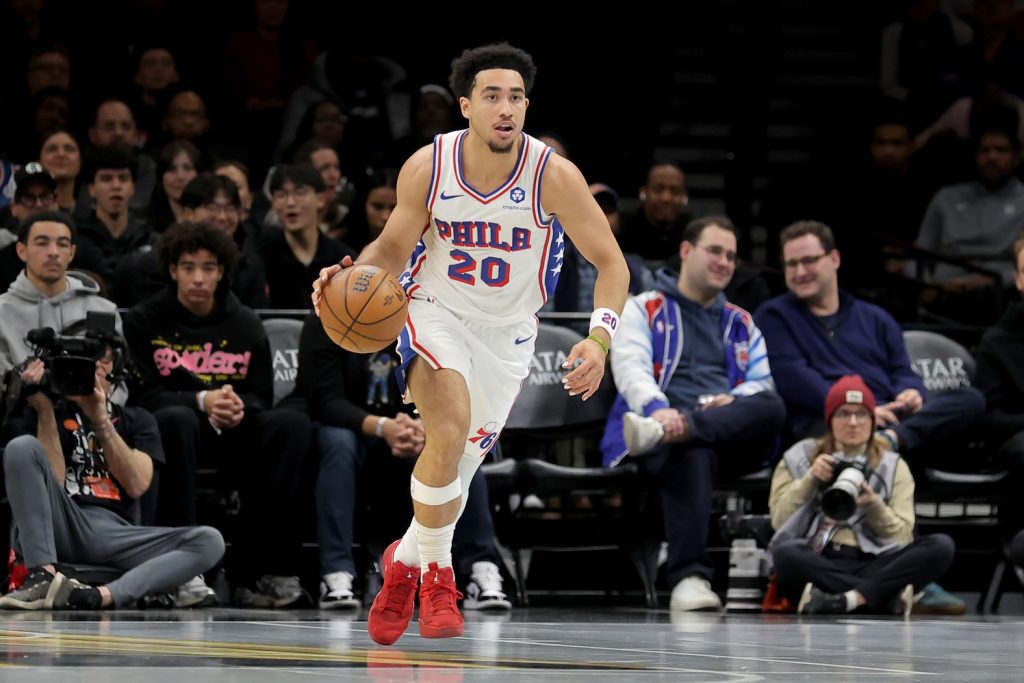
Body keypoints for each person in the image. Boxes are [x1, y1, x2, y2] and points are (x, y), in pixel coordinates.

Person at [312, 43, 629, 644]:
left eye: (515, 97)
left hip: (509, 336)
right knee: (448, 427)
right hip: (434, 311)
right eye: (492, 96)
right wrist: (344, 273)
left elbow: (612, 263)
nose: (505, 108)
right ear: (465, 106)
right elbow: (391, 246)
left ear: (526, 107)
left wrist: (599, 338)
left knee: (452, 470)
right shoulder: (428, 166)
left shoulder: (552, 175)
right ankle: (438, 574)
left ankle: (402, 563)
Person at [600, 216, 785, 611]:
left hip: (724, 431)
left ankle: (687, 427)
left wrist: (732, 403)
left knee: (771, 404)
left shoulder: (742, 321)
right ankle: (690, 579)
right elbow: (629, 368)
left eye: (731, 256)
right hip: (659, 428)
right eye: (715, 251)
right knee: (694, 449)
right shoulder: (643, 307)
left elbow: (761, 382)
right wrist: (660, 411)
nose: (724, 262)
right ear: (686, 251)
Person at [125, 221, 314, 608]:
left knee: (291, 426)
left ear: (222, 271)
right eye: (189, 267)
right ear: (173, 271)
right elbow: (141, 395)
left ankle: (270, 571)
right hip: (177, 430)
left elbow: (261, 393)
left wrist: (234, 404)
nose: (198, 277)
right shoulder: (145, 321)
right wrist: (200, 400)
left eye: (208, 268)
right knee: (173, 421)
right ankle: (182, 571)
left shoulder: (243, 321)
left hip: (233, 428)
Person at [286, 312, 512, 611]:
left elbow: (444, 386)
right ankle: (337, 572)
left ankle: (480, 568)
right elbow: (326, 402)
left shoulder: (424, 310)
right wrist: (384, 427)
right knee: (337, 441)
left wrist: (424, 428)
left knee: (459, 447)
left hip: (407, 429)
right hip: (348, 432)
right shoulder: (329, 313)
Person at [0, 336, 225, 610]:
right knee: (21, 446)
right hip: (63, 518)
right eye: (81, 365)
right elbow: (53, 485)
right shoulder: (42, 412)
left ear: (115, 373)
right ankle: (42, 576)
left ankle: (101, 596)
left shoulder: (137, 419)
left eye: (99, 366)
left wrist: (100, 419)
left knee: (209, 541)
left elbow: (137, 484)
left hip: (115, 533)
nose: (90, 374)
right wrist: (45, 411)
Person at [770, 375, 956, 615]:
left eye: (862, 414)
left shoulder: (893, 465)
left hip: (875, 560)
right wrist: (809, 480)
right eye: (844, 414)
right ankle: (880, 598)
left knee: (941, 545)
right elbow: (779, 522)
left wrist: (874, 506)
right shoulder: (799, 456)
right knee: (786, 555)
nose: (854, 422)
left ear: (873, 420)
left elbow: (903, 535)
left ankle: (842, 600)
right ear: (830, 420)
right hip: (820, 557)